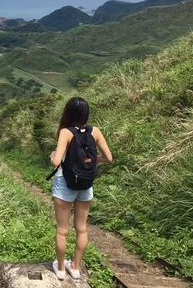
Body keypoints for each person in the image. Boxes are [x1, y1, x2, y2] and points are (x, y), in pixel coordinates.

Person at [49, 96, 112, 280]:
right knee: (82, 228)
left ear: (67, 112)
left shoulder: (65, 132)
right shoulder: (96, 131)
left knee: (62, 229)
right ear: (86, 113)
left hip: (65, 183)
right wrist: (93, 160)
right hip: (86, 184)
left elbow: (56, 161)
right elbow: (108, 158)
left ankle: (60, 269)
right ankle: (75, 268)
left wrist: (53, 154)